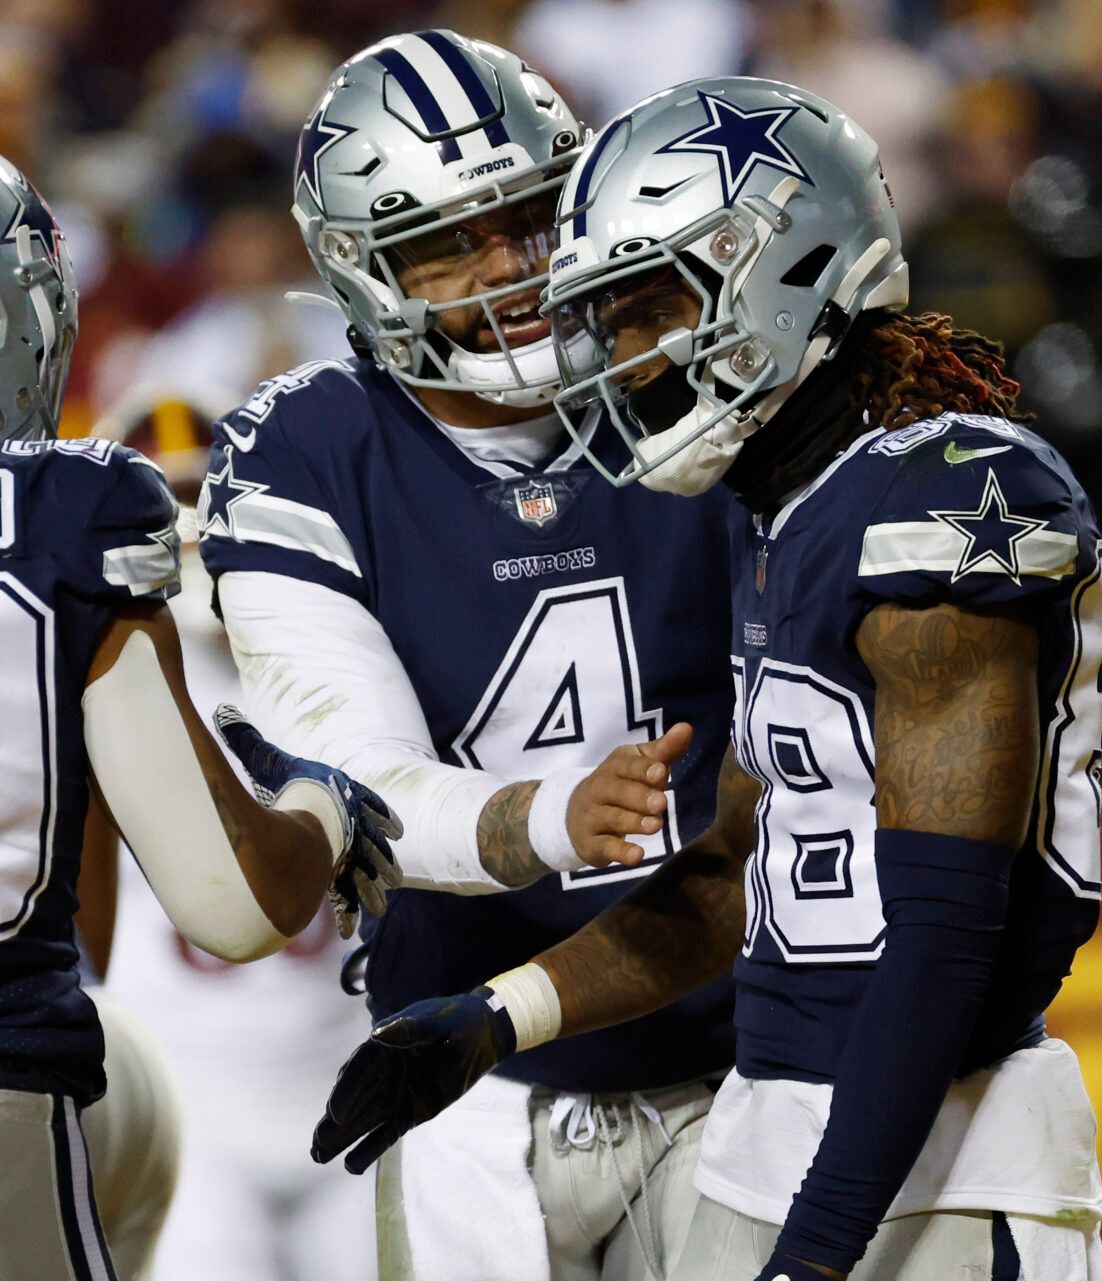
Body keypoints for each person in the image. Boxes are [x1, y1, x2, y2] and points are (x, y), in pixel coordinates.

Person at [314, 77, 1102, 1281]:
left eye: (643, 311)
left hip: (939, 1168)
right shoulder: (787, 517)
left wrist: (816, 1254)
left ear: (775, 268)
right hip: (773, 1144)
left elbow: (945, 939)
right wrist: (498, 1017)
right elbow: (736, 875)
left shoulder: (945, 494)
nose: (621, 360)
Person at [197, 32, 739, 1281]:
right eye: (448, 243)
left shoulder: (695, 379)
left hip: (732, 1045)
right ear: (362, 271)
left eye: (529, 216)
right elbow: (361, 779)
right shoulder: (304, 450)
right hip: (468, 1079)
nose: (511, 271)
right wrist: (553, 816)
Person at [0, 154, 399, 1281]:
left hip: (325, 1086)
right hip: (95, 1094)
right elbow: (220, 903)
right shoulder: (62, 540)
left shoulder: (317, 644)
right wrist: (323, 810)